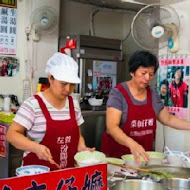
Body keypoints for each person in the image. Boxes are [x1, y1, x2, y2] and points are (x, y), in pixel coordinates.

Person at [6, 52, 94, 171]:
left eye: (72, 84)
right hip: (37, 174)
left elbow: (77, 136)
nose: (68, 89)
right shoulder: (33, 104)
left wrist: (82, 148)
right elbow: (12, 135)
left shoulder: (74, 104)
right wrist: (35, 147)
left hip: (66, 174)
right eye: (63, 83)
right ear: (51, 78)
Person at [101, 50, 190, 164]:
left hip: (144, 159)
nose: (147, 78)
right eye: (143, 73)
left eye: (151, 74)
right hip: (118, 160)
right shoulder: (118, 93)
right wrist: (132, 144)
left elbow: (168, 119)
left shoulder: (152, 94)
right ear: (132, 72)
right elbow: (112, 127)